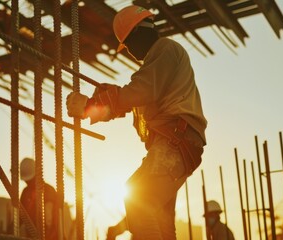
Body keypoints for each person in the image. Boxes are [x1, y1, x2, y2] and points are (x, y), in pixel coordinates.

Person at [66, 5, 207, 240]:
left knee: (139, 201)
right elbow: (132, 104)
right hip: (174, 144)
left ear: (140, 32)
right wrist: (96, 106)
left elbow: (139, 91)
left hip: (175, 141)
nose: (129, 51)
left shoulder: (165, 49)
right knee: (160, 221)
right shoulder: (155, 67)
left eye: (128, 44)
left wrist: (90, 104)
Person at [19, 157, 59, 239]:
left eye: (29, 180)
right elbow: (20, 217)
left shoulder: (48, 190)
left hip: (49, 237)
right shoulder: (26, 192)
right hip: (32, 236)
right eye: (26, 181)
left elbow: (49, 220)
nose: (27, 183)